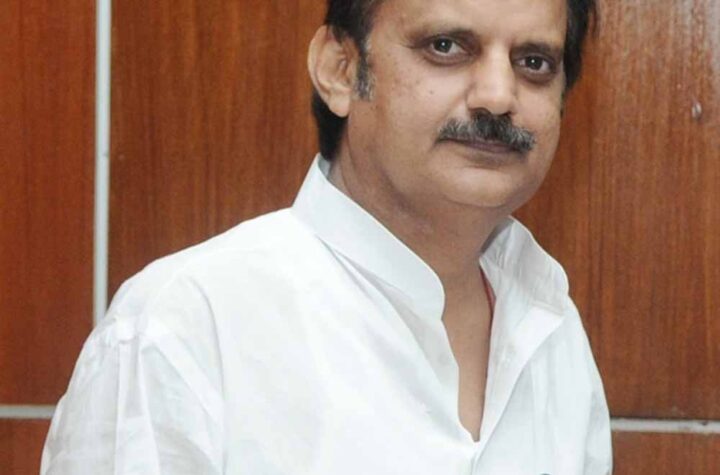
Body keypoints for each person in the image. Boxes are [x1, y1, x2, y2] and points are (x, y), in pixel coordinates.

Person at [42, 0, 612, 473]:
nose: (497, 95)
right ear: (340, 70)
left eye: (533, 62)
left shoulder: (550, 325)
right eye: (445, 47)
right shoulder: (186, 326)